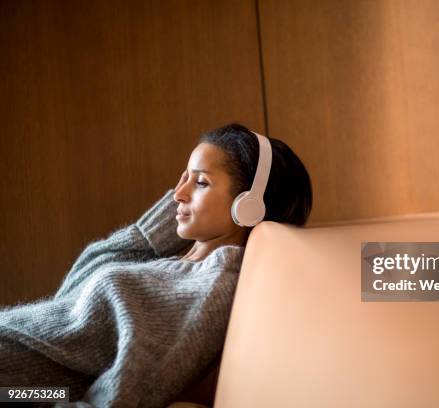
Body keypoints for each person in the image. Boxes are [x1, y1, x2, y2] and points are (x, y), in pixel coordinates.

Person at [0, 123, 313, 407]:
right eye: (182, 178)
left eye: (201, 182)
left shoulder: (207, 290)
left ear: (248, 205)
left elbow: (121, 395)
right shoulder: (175, 264)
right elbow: (70, 291)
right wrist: (158, 228)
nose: (177, 195)